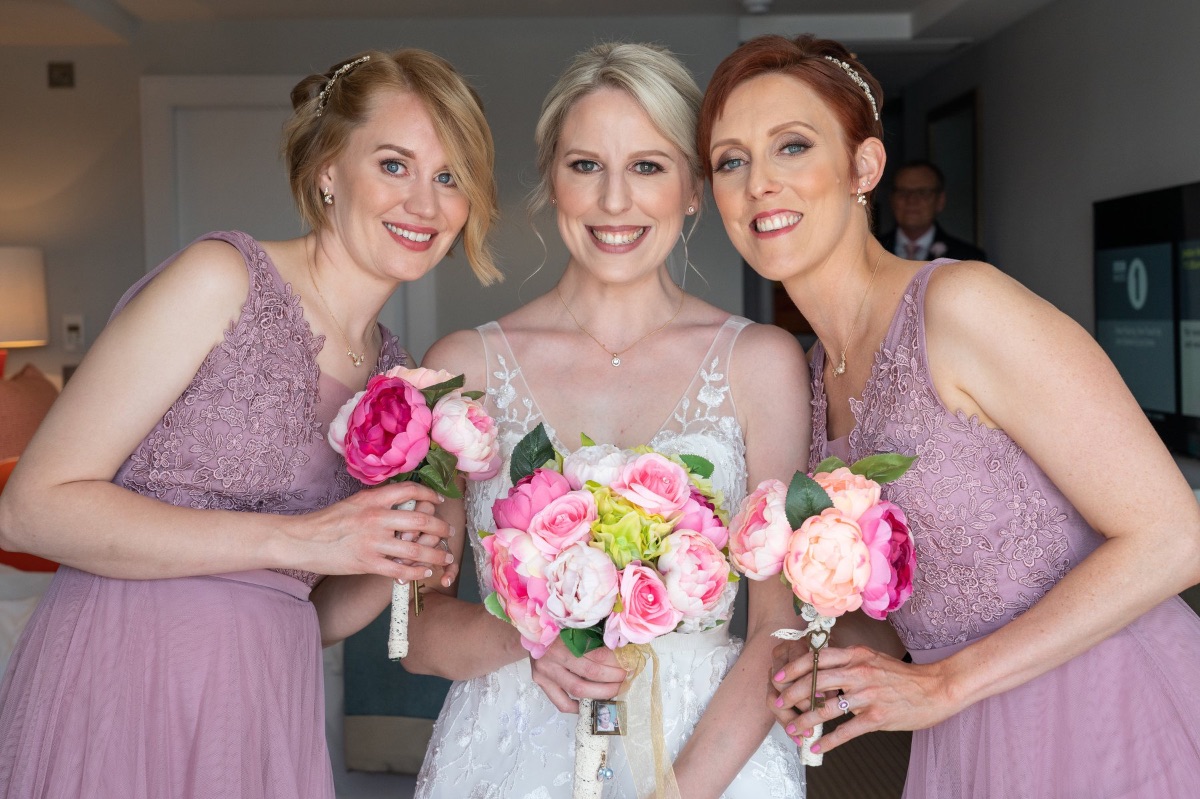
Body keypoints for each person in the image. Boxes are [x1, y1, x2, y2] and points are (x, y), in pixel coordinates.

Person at [699, 32, 1200, 797]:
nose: (759, 182)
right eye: (732, 160)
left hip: (1107, 702)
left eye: (791, 146)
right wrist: (830, 666)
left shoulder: (963, 308)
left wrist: (946, 685)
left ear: (864, 167)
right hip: (967, 736)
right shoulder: (802, 381)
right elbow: (915, 597)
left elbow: (1174, 536)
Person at [0, 48, 499, 799]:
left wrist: (395, 550)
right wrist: (302, 537)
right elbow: (28, 509)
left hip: (266, 697)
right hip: (127, 676)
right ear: (328, 168)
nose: (424, 204)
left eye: (449, 176)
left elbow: (304, 605)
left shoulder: (399, 378)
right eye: (394, 164)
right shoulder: (222, 279)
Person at [404, 42, 808, 799]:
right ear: (552, 182)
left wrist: (674, 794)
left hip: (709, 762)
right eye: (585, 165)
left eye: (648, 166)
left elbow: (776, 632)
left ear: (693, 189)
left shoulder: (761, 362)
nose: (614, 201)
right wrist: (524, 638)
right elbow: (417, 634)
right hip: (512, 758)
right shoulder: (468, 366)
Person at [877, 159, 985, 262]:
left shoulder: (966, 258)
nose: (911, 200)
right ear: (891, 198)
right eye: (902, 192)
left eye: (922, 193)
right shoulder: (871, 250)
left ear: (940, 200)